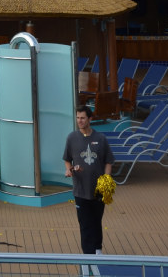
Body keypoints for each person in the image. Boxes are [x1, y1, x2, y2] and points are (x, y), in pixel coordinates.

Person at [63, 105, 114, 254]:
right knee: (84, 224)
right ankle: (87, 255)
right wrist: (68, 169)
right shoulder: (72, 138)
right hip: (80, 191)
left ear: (90, 119)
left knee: (96, 222)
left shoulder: (100, 138)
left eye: (82, 118)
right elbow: (67, 159)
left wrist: (106, 180)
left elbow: (108, 162)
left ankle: (98, 250)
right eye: (78, 118)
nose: (79, 121)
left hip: (98, 191)